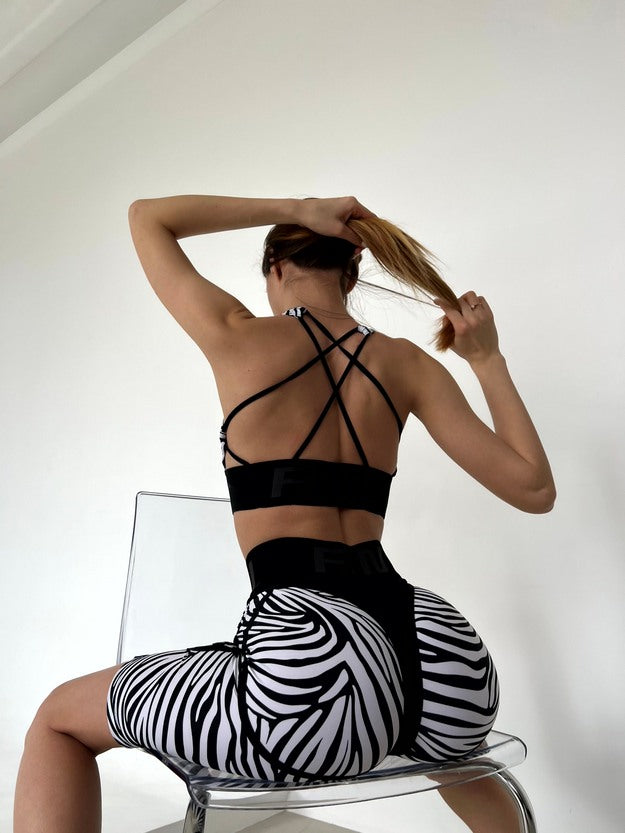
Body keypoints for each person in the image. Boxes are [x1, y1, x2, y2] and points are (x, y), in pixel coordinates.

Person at [13, 194, 556, 833]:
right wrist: (486, 358)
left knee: (59, 720)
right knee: (456, 761)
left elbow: (146, 217)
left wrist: (299, 205)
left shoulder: (239, 336)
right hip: (439, 658)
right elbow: (534, 489)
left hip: (312, 673)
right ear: (352, 273)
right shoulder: (408, 363)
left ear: (275, 268)